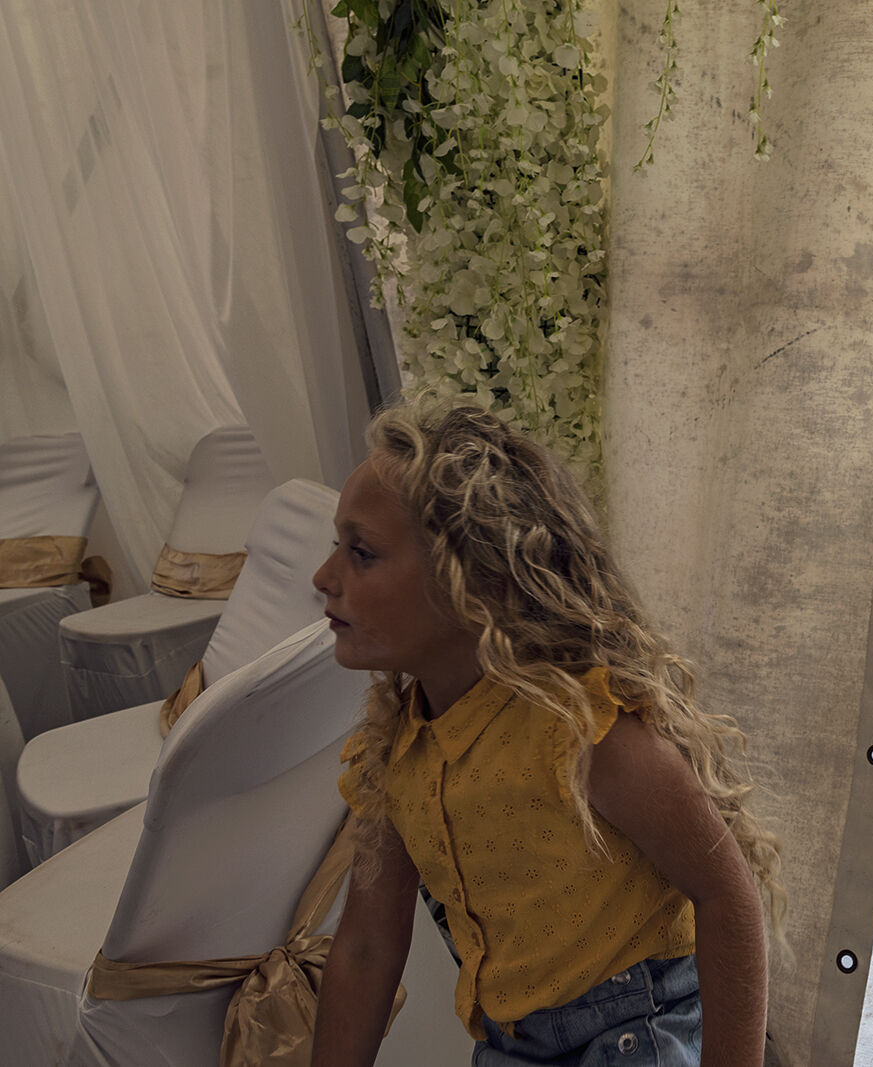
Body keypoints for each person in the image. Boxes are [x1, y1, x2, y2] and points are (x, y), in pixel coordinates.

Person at [309, 403, 784, 1066]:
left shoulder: (581, 731)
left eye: (360, 552)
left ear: (476, 581)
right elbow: (364, 948)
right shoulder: (396, 748)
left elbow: (727, 893)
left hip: (635, 1039)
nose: (324, 577)